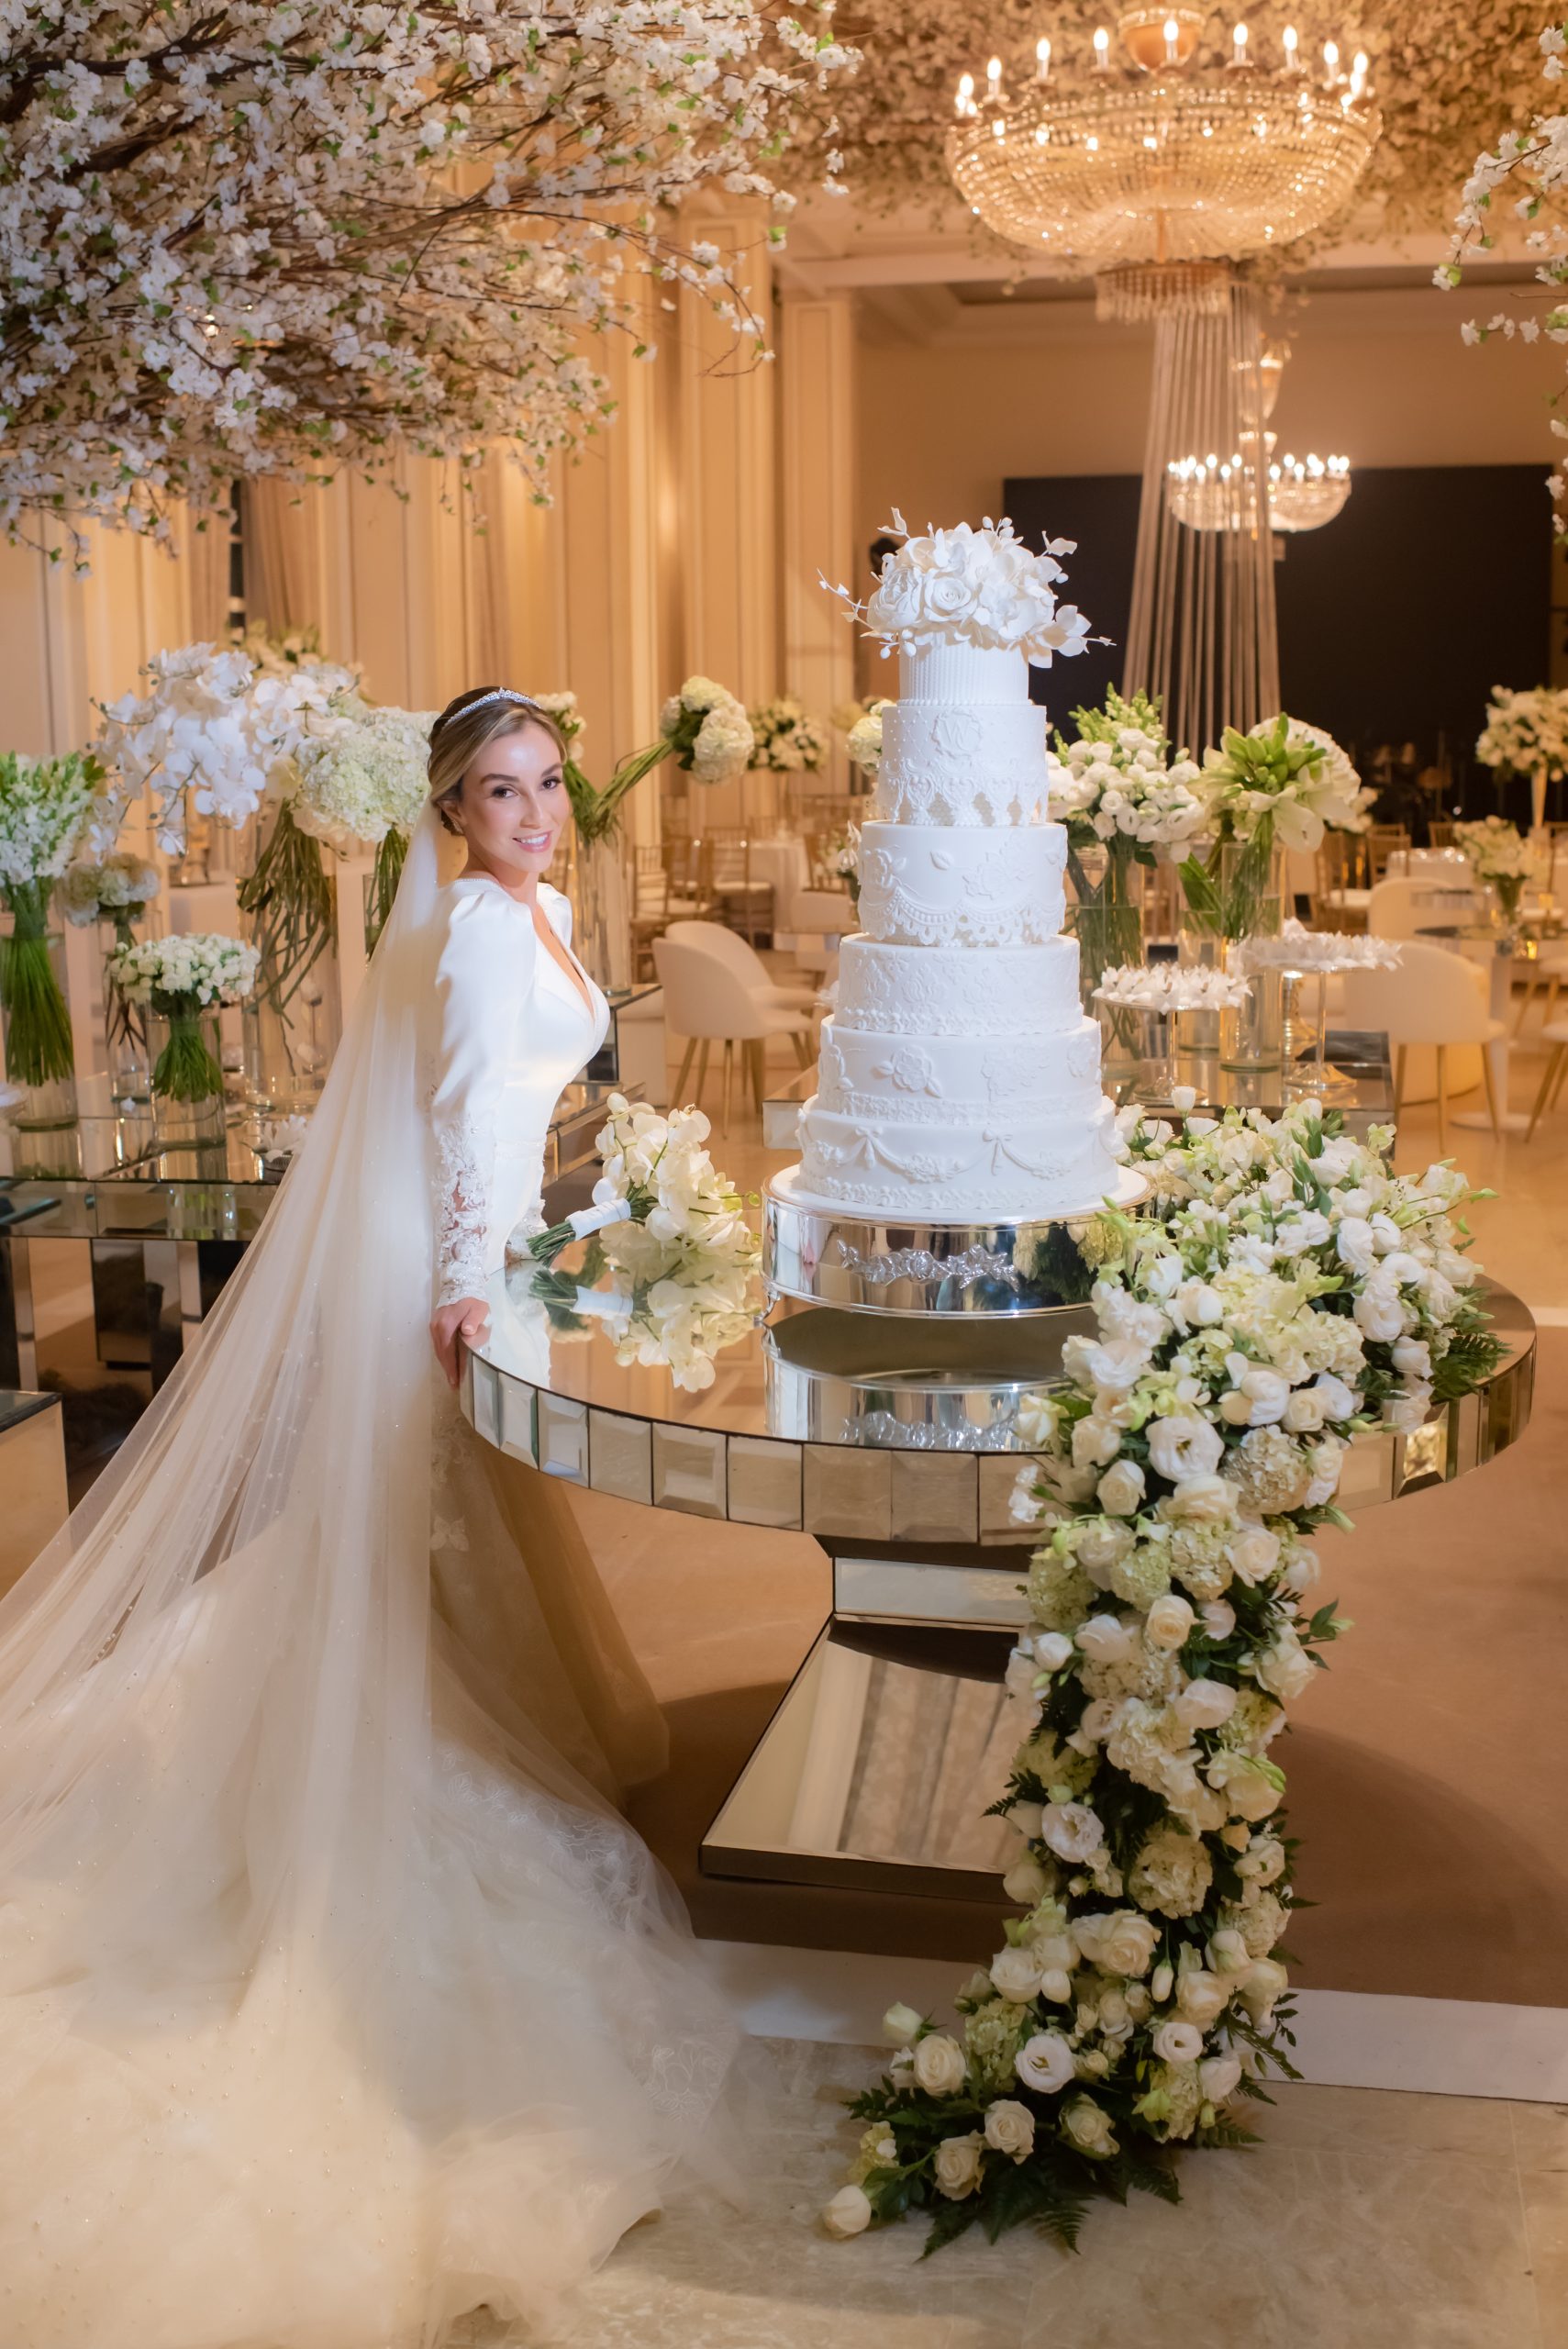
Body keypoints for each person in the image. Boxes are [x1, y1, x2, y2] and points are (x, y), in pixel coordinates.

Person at [0, 687, 741, 2348]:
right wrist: (478, 1294)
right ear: (450, 813)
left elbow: (534, 1112)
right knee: (420, 1532)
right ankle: (358, 1758)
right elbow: (462, 1122)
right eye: (502, 791)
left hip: (499, 1266)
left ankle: (432, 1697)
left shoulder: (537, 908)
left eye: (549, 784)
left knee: (462, 1539)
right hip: (454, 1286)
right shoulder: (478, 936)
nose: (538, 813)